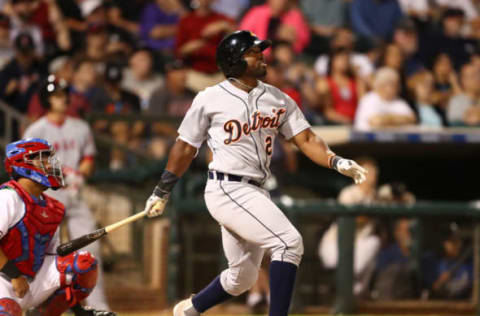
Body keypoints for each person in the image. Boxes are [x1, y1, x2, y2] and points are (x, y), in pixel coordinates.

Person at [142, 30, 367, 316]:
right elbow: (185, 147)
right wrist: (162, 191)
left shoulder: (277, 98)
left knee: (241, 279)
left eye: (260, 50)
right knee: (289, 243)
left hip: (256, 189)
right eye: (253, 52)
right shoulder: (210, 98)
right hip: (227, 187)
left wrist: (336, 161)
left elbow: (307, 139)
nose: (262, 55)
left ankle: (188, 311)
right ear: (234, 60)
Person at [22, 76, 111, 311]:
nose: (62, 99)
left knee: (91, 249)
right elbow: (29, 167)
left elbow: (89, 159)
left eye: (64, 94)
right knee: (47, 253)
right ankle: (39, 305)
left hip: (75, 195)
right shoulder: (36, 129)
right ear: (47, 100)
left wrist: (79, 174)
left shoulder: (80, 127)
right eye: (57, 95)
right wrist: (59, 175)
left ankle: (96, 305)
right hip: (48, 198)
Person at [0, 137, 115, 316]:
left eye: (49, 157)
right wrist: (14, 275)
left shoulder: (54, 207)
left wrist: (78, 310)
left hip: (29, 281)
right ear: (22, 164)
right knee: (7, 311)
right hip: (5, 280)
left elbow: (51, 259)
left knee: (84, 263)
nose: (49, 163)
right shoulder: (8, 197)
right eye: (42, 158)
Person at [319, 157, 381, 298]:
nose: (371, 177)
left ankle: (356, 295)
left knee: (374, 242)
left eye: (373, 173)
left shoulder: (374, 196)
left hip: (358, 248)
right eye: (367, 172)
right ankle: (347, 292)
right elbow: (353, 220)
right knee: (359, 261)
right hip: (335, 247)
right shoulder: (349, 193)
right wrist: (373, 211)